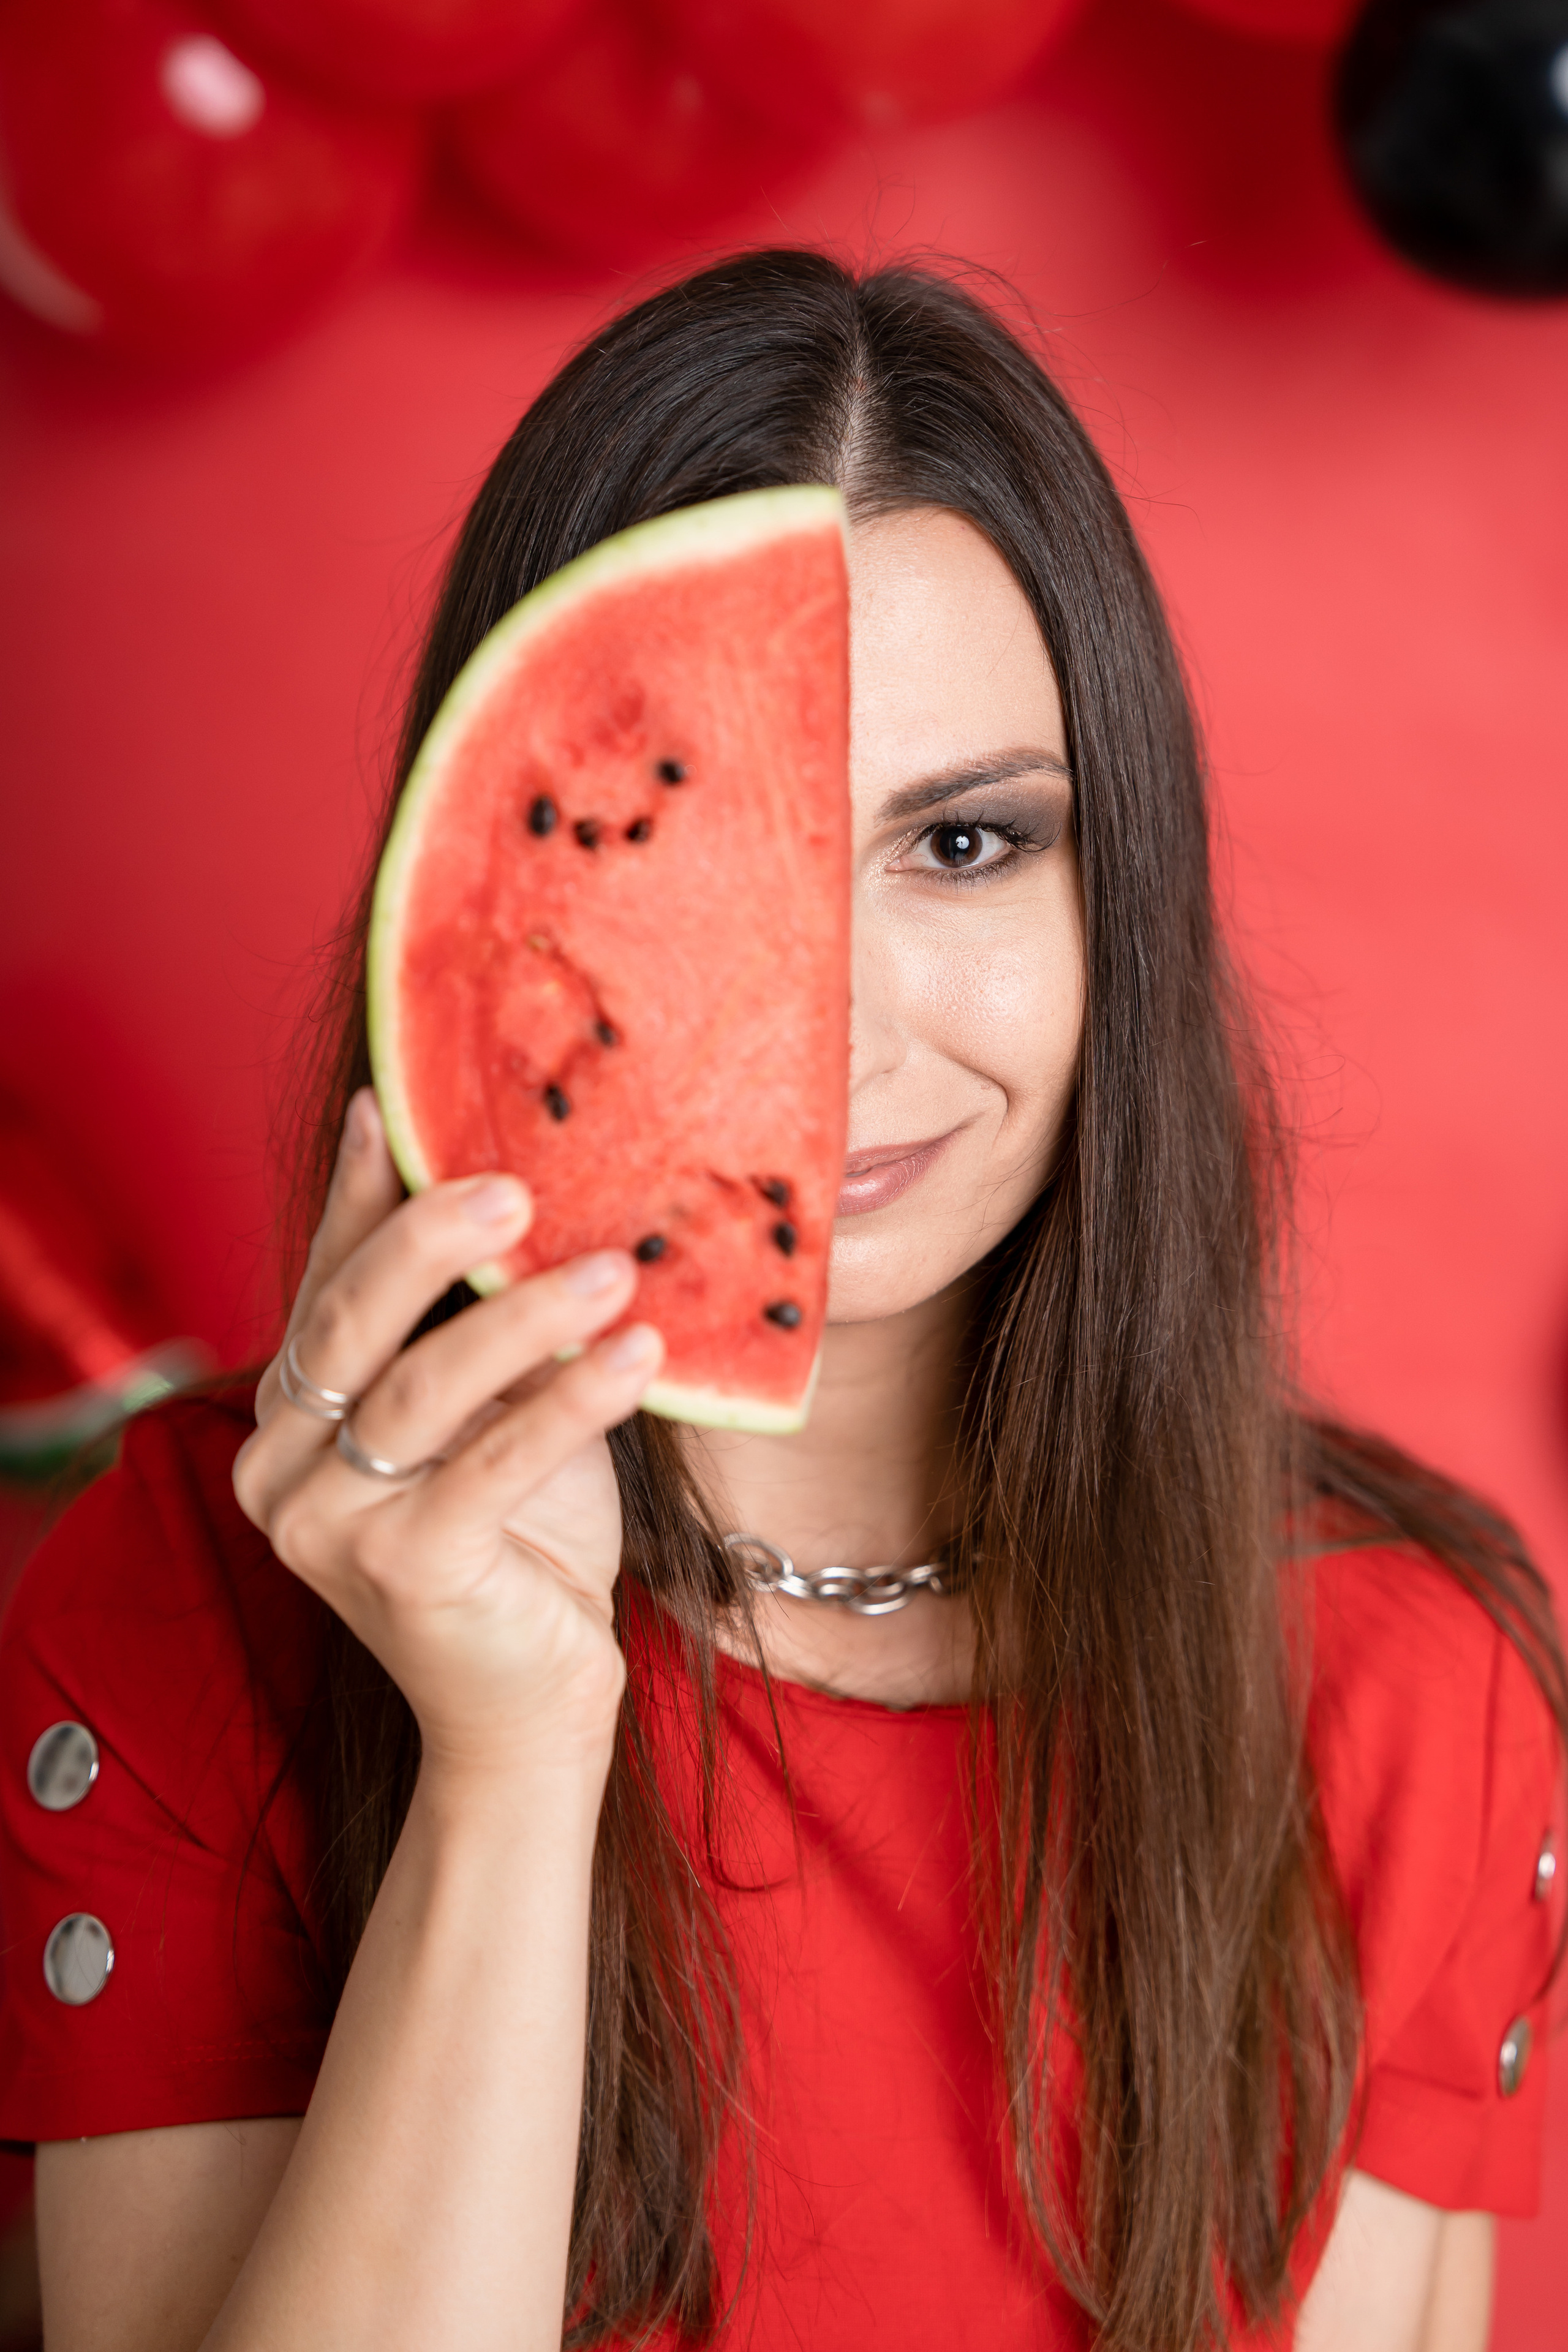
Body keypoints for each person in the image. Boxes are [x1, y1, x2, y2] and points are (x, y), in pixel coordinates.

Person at [1, 251, 1562, 2352]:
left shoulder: (1405, 1692)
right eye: (700, 856)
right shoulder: (202, 1606)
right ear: (495, 905)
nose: (830, 1028)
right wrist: (514, 1762)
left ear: (1131, 890)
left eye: (967, 846)